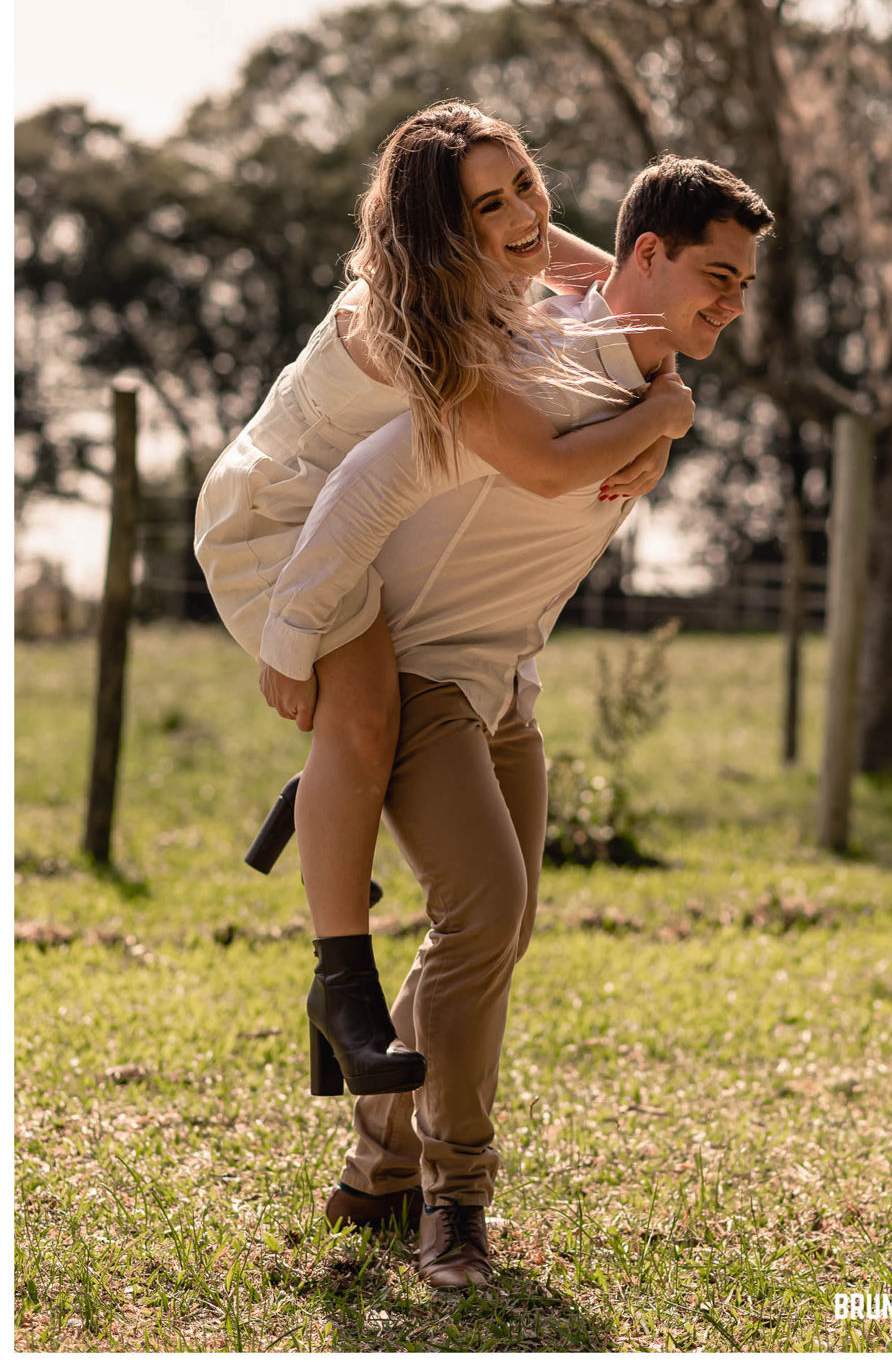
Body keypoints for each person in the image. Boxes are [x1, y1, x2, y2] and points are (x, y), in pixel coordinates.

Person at [255, 155, 774, 1289]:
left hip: (503, 691)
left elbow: (592, 275)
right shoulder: (528, 365)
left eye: (743, 283)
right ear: (649, 257)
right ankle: (458, 1205)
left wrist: (665, 410)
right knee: (482, 912)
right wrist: (292, 643)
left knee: (495, 934)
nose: (731, 302)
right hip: (416, 682)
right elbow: (364, 487)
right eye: (716, 275)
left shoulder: (646, 380)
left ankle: (376, 1169)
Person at [193, 103, 694, 1102]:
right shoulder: (412, 327)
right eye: (488, 205)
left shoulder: (514, 242)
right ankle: (342, 986)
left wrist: (658, 400)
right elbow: (543, 469)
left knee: (371, 725)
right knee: (367, 711)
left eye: (525, 185)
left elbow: (628, 299)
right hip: (277, 524)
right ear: (437, 229)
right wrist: (663, 416)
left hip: (353, 532)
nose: (523, 215)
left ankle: (338, 793)